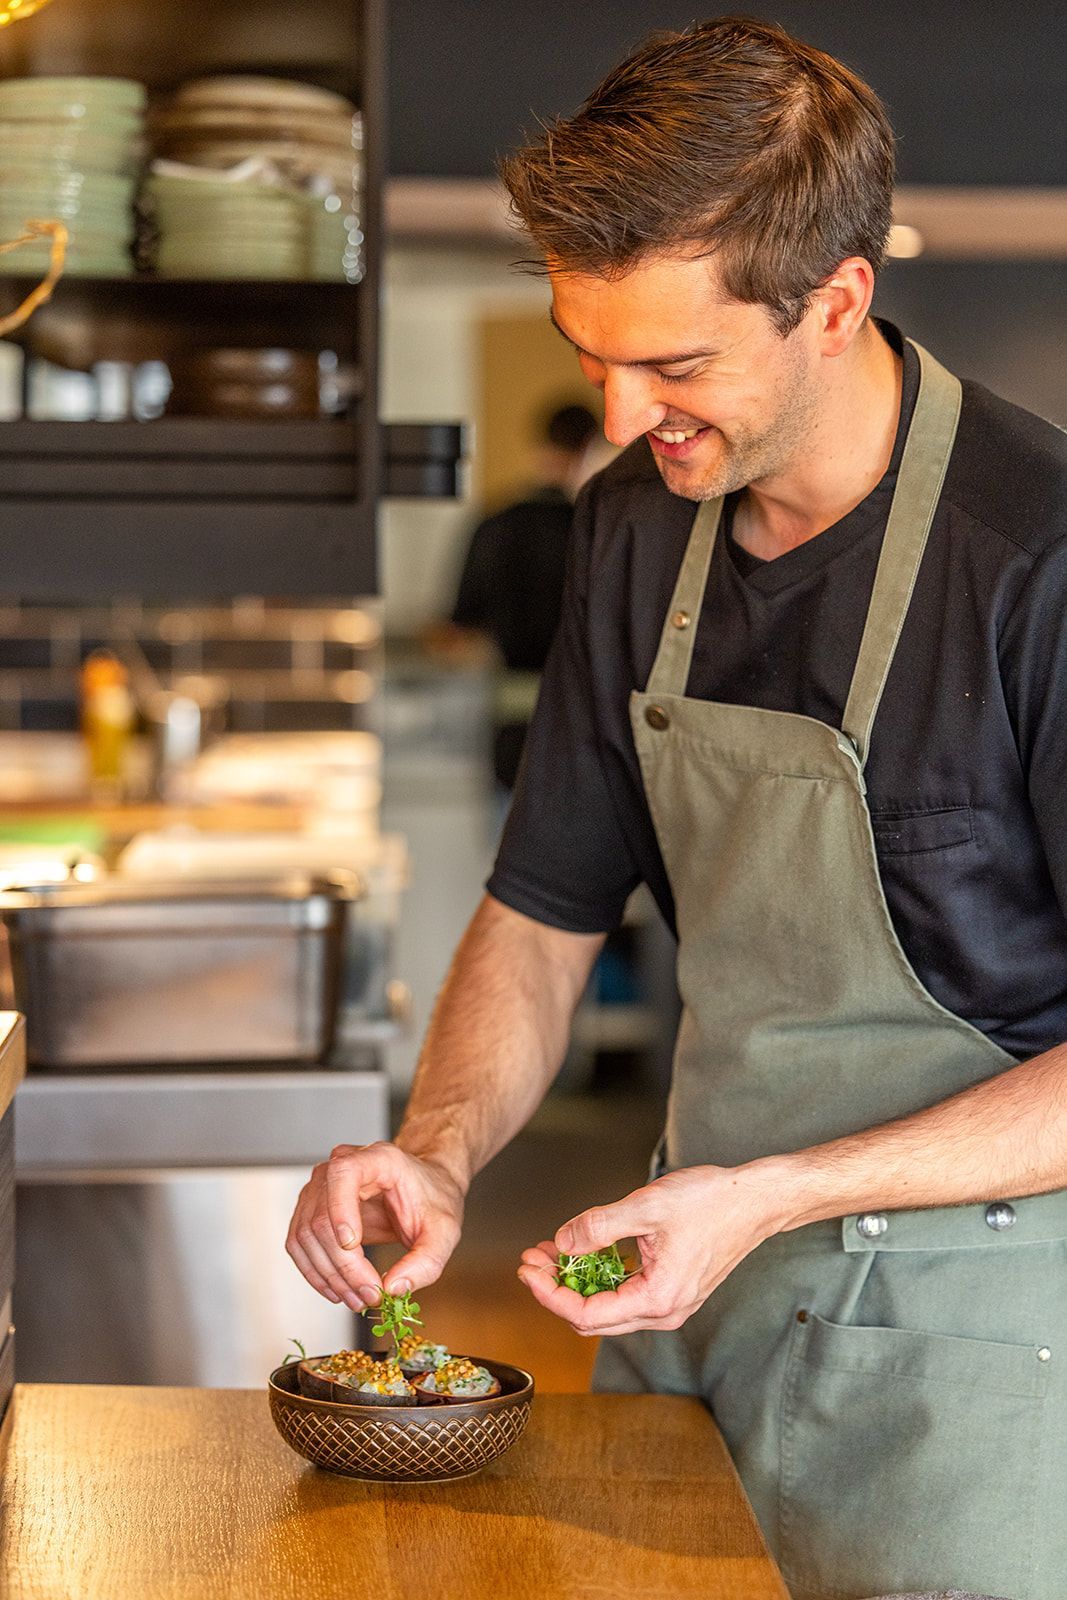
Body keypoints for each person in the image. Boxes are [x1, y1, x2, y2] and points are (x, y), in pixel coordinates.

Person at [287, 18, 1067, 1597]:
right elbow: (543, 907)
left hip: (973, 1366)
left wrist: (773, 1193)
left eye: (677, 364)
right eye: (593, 357)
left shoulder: (1034, 563)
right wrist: (438, 1151)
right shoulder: (635, 531)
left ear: (834, 301)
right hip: (684, 1312)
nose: (626, 416)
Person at [433, 400, 599, 792]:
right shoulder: (600, 532)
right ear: (589, 448)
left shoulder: (495, 524)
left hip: (509, 721)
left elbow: (452, 633)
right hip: (587, 727)